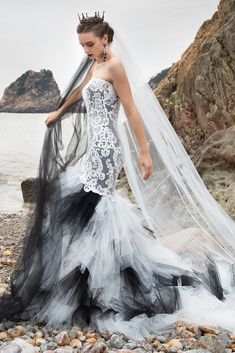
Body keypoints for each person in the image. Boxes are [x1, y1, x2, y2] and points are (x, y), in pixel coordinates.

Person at [0, 11, 235, 340]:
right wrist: (58, 111)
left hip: (107, 150)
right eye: (82, 46)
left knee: (95, 208)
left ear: (105, 39)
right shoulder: (94, 65)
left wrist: (144, 151)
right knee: (81, 208)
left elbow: (132, 109)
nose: (86, 50)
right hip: (93, 150)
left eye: (90, 44)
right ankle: (82, 286)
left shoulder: (115, 66)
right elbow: (80, 91)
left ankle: (106, 290)